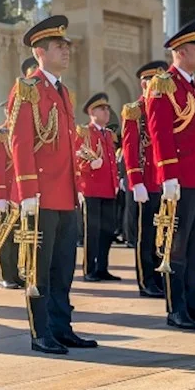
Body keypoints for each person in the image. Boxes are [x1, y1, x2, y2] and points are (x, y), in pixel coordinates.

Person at [8, 15, 97, 353]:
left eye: (67, 46)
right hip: (42, 195)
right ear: (40, 52)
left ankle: (62, 327)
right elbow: (20, 140)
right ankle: (40, 331)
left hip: (65, 194)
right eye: (59, 47)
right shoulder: (28, 88)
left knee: (63, 270)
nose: (66, 52)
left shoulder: (63, 92)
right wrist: (27, 191)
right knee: (39, 269)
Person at [146, 19, 195, 329]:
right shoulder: (163, 83)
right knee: (175, 247)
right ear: (179, 51)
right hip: (180, 179)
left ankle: (194, 304)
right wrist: (167, 174)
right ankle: (176, 307)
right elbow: (159, 132)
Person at [121, 61, 168, 298]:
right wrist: (135, 181)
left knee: (163, 232)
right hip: (146, 182)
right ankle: (146, 280)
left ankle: (160, 275)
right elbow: (130, 148)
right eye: (153, 82)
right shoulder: (134, 110)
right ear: (144, 84)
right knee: (146, 234)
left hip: (163, 181)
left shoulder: (165, 108)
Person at [76, 93, 120, 282]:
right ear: (92, 112)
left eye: (107, 108)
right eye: (102, 109)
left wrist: (115, 183)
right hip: (92, 188)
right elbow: (77, 157)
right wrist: (88, 166)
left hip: (108, 189)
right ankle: (89, 269)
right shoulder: (84, 132)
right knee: (92, 231)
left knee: (107, 231)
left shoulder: (108, 134)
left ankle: (102, 267)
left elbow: (111, 161)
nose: (107, 112)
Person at [0, 104, 24, 289]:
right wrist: (0, 195)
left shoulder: (26, 130)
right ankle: (5, 275)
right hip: (8, 192)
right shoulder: (1, 133)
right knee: (4, 237)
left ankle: (18, 273)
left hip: (22, 193)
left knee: (20, 236)